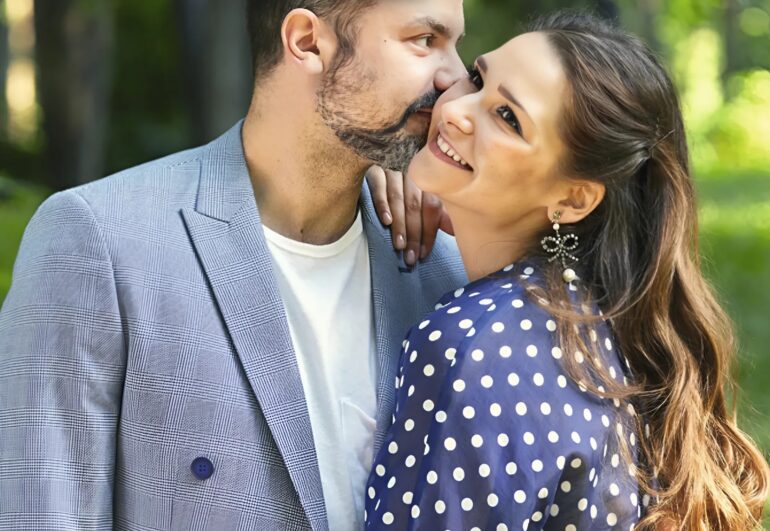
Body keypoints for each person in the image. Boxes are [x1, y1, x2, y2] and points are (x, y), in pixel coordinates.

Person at [0, 1, 468, 529]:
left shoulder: (448, 272)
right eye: (425, 41)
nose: (455, 79)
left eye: (454, 45)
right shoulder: (100, 240)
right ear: (307, 42)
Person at [365, 12, 770, 530]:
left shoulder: (474, 343)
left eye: (508, 118)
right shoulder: (594, 325)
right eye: (477, 78)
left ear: (573, 198)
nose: (457, 111)